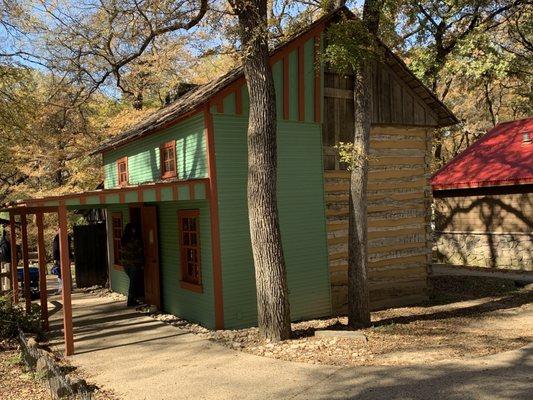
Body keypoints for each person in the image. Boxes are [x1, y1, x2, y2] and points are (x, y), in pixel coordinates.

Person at [121, 223, 144, 307]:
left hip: (125, 264)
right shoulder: (134, 240)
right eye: (133, 229)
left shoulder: (123, 239)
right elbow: (139, 250)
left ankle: (134, 299)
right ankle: (130, 301)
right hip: (134, 264)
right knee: (133, 283)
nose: (134, 230)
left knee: (134, 282)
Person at [52, 229, 73, 295]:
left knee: (60, 273)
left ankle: (62, 289)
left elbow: (55, 248)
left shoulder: (57, 237)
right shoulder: (68, 237)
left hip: (60, 257)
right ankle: (69, 287)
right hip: (68, 256)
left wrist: (55, 258)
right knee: (68, 272)